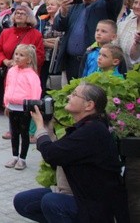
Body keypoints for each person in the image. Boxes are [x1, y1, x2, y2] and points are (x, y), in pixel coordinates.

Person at [13, 83, 129, 222]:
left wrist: (39, 127)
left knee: (52, 203)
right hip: (76, 193)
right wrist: (47, 127)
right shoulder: (85, 127)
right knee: (22, 202)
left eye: (74, 94)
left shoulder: (93, 131)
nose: (69, 96)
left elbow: (51, 155)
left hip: (95, 206)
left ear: (89, 105)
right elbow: (58, 156)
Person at [53, 0, 123, 81]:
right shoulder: (75, 7)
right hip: (71, 61)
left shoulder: (105, 5)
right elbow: (59, 27)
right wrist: (63, 12)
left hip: (94, 60)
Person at [3, 44, 42, 171]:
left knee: (24, 134)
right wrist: (6, 104)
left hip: (24, 108)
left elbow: (36, 91)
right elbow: (7, 87)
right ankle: (14, 156)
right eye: (16, 54)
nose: (17, 57)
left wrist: (32, 107)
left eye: (21, 55)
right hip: (13, 106)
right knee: (14, 133)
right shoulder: (12, 71)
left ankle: (23, 159)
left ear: (29, 59)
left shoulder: (31, 74)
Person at [116, 0, 140, 68]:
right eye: (136, 2)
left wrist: (137, 44)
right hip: (123, 73)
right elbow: (114, 44)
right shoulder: (125, 23)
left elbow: (135, 58)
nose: (137, 6)